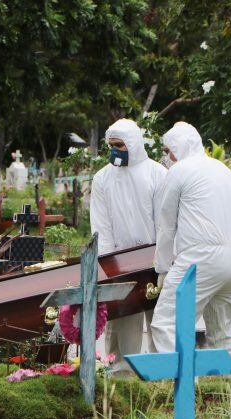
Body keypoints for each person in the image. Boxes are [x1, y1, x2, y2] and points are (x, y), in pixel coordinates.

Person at [151, 122, 231, 370]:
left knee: (168, 322)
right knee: (224, 330)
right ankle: (227, 392)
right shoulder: (223, 169)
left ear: (177, 148)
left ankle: (182, 390)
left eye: (167, 151)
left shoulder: (180, 170)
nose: (166, 157)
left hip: (201, 258)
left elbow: (166, 225)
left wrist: (162, 268)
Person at [90, 118, 167, 370]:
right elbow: (101, 224)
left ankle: (160, 372)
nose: (115, 150)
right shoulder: (103, 178)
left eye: (120, 145)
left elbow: (164, 220)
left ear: (133, 144)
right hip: (119, 261)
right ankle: (120, 372)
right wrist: (108, 265)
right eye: (111, 145)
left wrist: (162, 258)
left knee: (159, 319)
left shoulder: (157, 173)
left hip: (155, 258)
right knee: (122, 319)